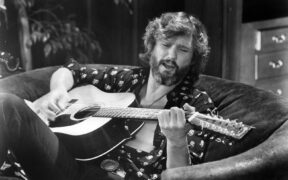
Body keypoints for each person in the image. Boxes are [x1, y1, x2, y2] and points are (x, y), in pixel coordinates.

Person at [0, 12, 221, 180]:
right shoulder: (127, 80)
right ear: (152, 47)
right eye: (165, 45)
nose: (171, 55)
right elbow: (72, 70)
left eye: (183, 50)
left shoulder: (196, 105)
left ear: (193, 59)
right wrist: (57, 91)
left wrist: (177, 141)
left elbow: (181, 176)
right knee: (6, 103)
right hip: (68, 162)